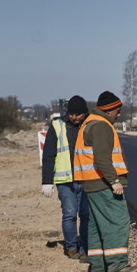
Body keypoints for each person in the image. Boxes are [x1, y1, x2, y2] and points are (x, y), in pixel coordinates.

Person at [74, 91, 137, 272]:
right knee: (117, 221)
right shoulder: (101, 126)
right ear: (109, 110)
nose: (119, 115)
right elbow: (102, 159)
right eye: (117, 111)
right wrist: (114, 181)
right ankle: (117, 264)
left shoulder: (89, 123)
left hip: (90, 183)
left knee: (96, 224)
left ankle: (98, 267)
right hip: (102, 183)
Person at [41, 95, 90, 261]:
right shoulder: (57, 126)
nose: (74, 117)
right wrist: (47, 181)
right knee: (69, 213)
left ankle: (85, 248)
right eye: (71, 114)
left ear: (85, 114)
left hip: (85, 178)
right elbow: (48, 155)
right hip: (65, 180)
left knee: (86, 215)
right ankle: (71, 247)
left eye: (78, 114)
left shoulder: (90, 125)